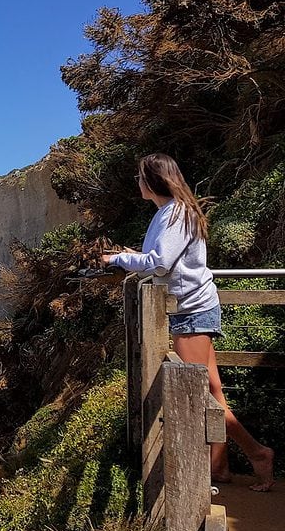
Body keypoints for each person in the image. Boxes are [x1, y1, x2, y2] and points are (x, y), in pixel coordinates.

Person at [103, 153, 274, 492]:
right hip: (194, 307)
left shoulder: (176, 213)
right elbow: (159, 257)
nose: (137, 182)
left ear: (153, 181)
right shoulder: (168, 213)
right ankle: (219, 466)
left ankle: (257, 453)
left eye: (140, 177)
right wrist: (130, 256)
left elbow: (161, 262)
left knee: (196, 396)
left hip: (191, 311)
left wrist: (117, 259)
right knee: (212, 392)